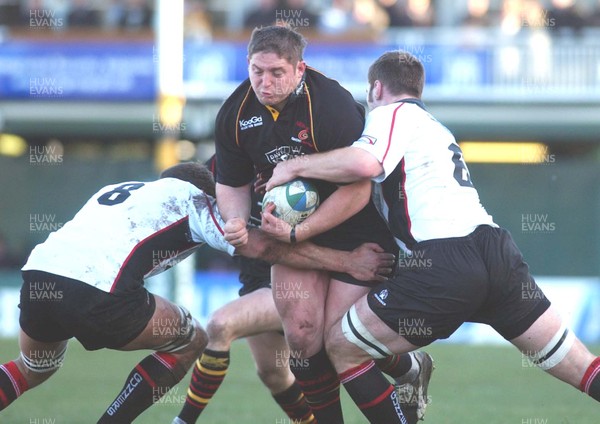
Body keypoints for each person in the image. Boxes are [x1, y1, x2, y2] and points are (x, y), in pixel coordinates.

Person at [264, 50, 600, 422]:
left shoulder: (392, 113)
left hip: (445, 262)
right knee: (580, 367)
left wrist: (292, 165)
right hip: (497, 254)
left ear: (376, 87)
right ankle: (411, 370)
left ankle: (411, 371)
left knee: (342, 346)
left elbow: (364, 163)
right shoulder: (436, 127)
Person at [0, 162, 394, 421]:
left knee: (35, 366)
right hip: (100, 290)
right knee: (192, 338)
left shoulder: (120, 187)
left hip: (37, 280)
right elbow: (262, 246)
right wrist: (345, 261)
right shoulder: (194, 200)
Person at [213, 25, 433, 424]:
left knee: (341, 338)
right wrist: (233, 219)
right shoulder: (234, 114)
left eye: (277, 72)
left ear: (300, 68)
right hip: (289, 231)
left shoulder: (330, 104)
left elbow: (359, 188)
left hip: (353, 226)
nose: (265, 81)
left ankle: (408, 369)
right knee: (300, 333)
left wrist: (300, 233)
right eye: (256, 71)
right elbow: (230, 183)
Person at [174, 157, 314, 424]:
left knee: (220, 325)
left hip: (296, 279)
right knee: (274, 375)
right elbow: (192, 179)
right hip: (255, 284)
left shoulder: (291, 161)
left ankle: (182, 421)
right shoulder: (221, 165)